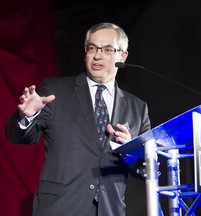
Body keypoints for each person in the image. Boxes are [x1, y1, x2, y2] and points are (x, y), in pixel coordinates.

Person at [6, 22, 151, 216]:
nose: (97, 56)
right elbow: (21, 137)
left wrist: (132, 151)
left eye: (107, 49)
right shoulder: (55, 91)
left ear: (122, 55)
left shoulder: (138, 108)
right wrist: (27, 116)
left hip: (110, 211)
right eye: (92, 48)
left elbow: (147, 170)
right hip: (61, 207)